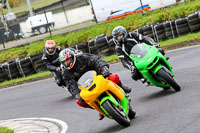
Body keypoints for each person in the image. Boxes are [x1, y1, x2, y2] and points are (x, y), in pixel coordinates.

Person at [59, 48, 132, 119]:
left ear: (72, 57)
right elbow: (70, 85)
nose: (66, 63)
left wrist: (103, 69)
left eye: (67, 60)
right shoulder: (65, 72)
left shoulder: (82, 57)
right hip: (85, 87)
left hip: (99, 76)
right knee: (80, 102)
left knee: (113, 77)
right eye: (64, 62)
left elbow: (96, 60)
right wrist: (77, 94)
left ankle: (122, 87)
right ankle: (98, 108)